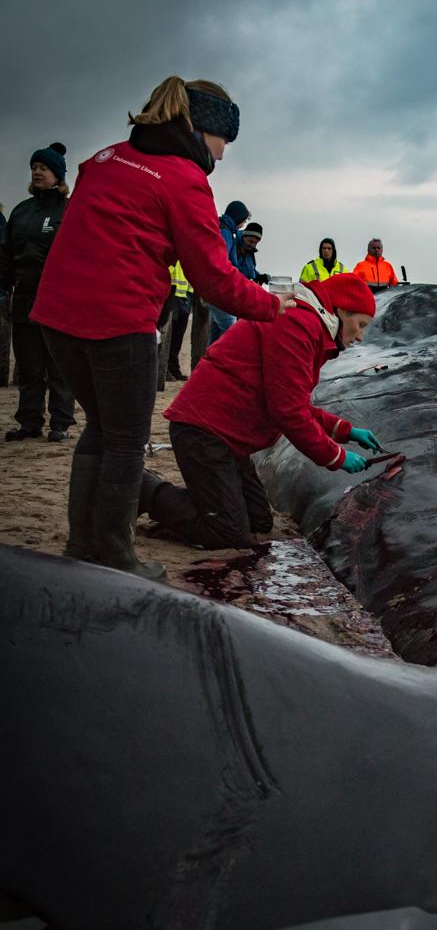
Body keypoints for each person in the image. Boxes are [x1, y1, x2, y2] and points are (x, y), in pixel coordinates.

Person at [30, 75, 292, 580]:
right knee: (125, 440)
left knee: (101, 431)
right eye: (224, 141)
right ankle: (110, 553)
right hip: (117, 321)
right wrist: (272, 306)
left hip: (55, 316)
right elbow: (213, 278)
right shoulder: (183, 178)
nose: (223, 154)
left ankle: (84, 545)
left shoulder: (104, 159)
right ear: (201, 128)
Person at [138, 274, 382, 549]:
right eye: (360, 324)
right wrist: (335, 456)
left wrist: (346, 432)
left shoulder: (308, 325)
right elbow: (288, 411)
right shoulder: (298, 325)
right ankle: (143, 490)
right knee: (228, 533)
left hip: (230, 437)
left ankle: (205, 505)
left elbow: (290, 401)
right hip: (205, 430)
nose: (360, 335)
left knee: (259, 521)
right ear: (340, 311)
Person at [1, 143, 76, 443]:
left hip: (59, 299)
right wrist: (4, 288)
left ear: (57, 174)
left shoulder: (69, 210)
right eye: (34, 167)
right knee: (29, 365)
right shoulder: (21, 211)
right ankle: (30, 422)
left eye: (43, 168)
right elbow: (6, 254)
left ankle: (61, 423)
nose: (37, 172)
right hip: (25, 297)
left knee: (58, 365)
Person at [207, 200, 252, 344]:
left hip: (216, 289)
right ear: (238, 217)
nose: (242, 225)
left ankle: (209, 363)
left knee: (215, 334)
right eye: (243, 221)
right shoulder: (225, 232)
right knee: (231, 332)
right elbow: (222, 261)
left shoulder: (223, 228)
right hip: (221, 289)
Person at [166, 261, 191, 381]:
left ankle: (173, 368)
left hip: (184, 294)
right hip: (172, 292)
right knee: (170, 334)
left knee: (178, 336)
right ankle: (166, 369)